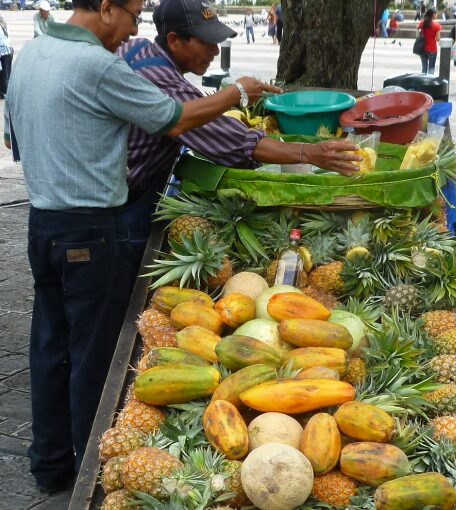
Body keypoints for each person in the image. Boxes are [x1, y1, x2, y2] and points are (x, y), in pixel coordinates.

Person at [4, 0, 281, 494]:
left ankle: (50, 466)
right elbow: (173, 120)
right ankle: (94, 471)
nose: (135, 29)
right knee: (96, 353)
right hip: (92, 228)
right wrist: (235, 91)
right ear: (106, 8)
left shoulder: (33, 52)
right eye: (133, 15)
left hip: (44, 222)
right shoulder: (96, 64)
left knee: (50, 344)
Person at [117, 0, 362, 282]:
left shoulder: (136, 49)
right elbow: (236, 141)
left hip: (113, 187)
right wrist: (310, 153)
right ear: (174, 40)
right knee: (121, 287)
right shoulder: (162, 83)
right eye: (206, 42)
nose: (214, 51)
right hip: (126, 205)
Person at [417, 8, 441, 75]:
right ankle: (429, 83)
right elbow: (438, 39)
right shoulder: (437, 26)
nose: (436, 16)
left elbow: (417, 28)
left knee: (424, 67)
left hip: (422, 48)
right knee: (431, 67)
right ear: (433, 15)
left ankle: (423, 82)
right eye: (436, 14)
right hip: (432, 49)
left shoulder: (423, 22)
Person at [0, 14, 12, 98]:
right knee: (6, 74)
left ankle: (5, 93)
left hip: (4, 51)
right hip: (8, 50)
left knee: (4, 74)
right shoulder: (3, 23)